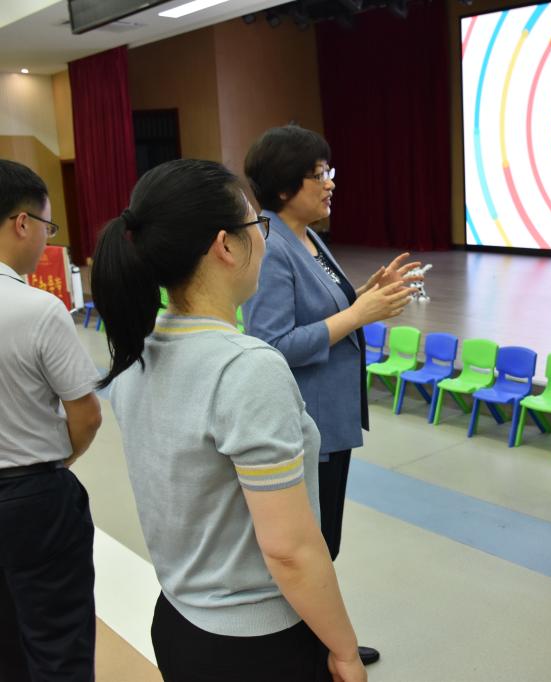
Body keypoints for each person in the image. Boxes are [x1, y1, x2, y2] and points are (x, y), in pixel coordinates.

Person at [92, 159, 366, 682]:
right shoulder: (246, 368)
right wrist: (345, 650)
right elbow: (289, 550)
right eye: (256, 225)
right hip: (256, 646)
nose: (263, 238)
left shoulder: (139, 350)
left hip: (178, 619)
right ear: (226, 246)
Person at [243, 125, 415, 666]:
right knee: (312, 547)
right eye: (319, 174)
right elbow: (271, 344)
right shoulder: (272, 245)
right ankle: (313, 650)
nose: (330, 183)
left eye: (328, 172)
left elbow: (321, 311)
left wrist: (365, 294)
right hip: (305, 424)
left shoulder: (305, 236)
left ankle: (320, 642)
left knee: (325, 542)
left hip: (329, 419)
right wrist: (358, 314)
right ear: (284, 185)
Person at [0, 159, 102, 682]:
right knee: (58, 641)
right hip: (32, 497)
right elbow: (86, 416)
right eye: (46, 225)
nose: (46, 238)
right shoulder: (38, 308)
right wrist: (55, 461)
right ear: (22, 222)